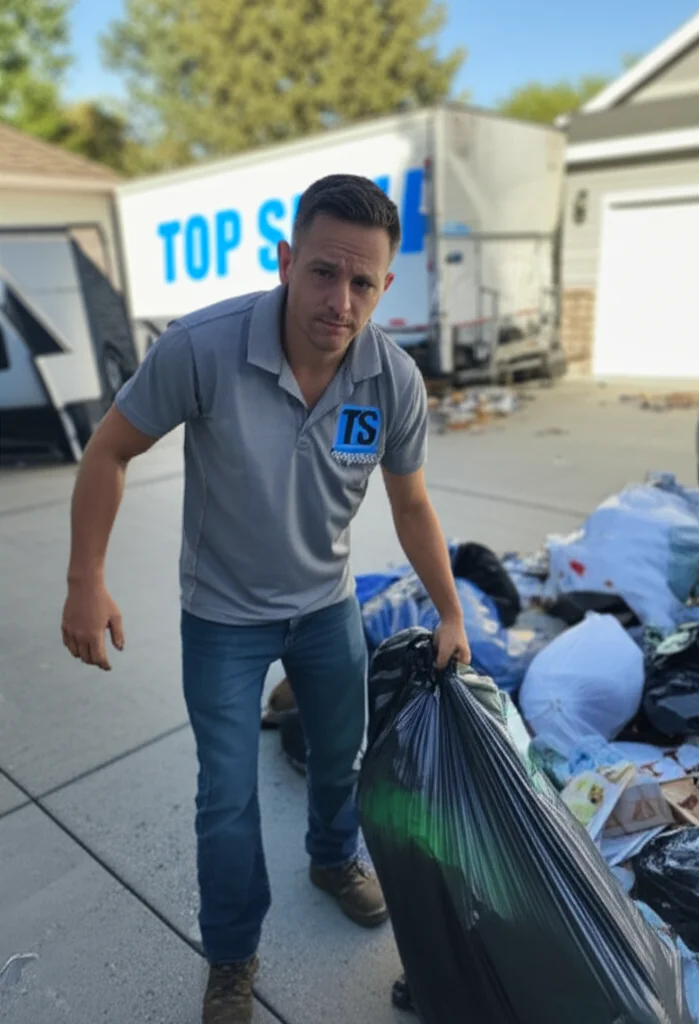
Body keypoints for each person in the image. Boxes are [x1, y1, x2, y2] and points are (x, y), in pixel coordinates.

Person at [61, 173, 471, 1024]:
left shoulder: (391, 380)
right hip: (221, 618)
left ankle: (331, 858)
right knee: (227, 797)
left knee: (341, 755)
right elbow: (108, 450)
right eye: (323, 271)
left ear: (386, 286)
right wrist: (84, 580)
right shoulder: (203, 347)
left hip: (326, 608)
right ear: (286, 261)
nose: (341, 299)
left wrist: (452, 609)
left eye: (363, 282)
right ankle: (233, 955)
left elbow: (412, 503)